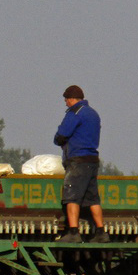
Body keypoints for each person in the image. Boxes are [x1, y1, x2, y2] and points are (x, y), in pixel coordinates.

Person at [53, 85, 107, 243]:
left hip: (78, 160)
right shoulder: (94, 114)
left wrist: (58, 139)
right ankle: (101, 232)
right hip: (92, 160)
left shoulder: (75, 113)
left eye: (66, 100)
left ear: (71, 99)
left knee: (71, 196)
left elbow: (62, 134)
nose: (65, 103)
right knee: (93, 198)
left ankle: (73, 233)